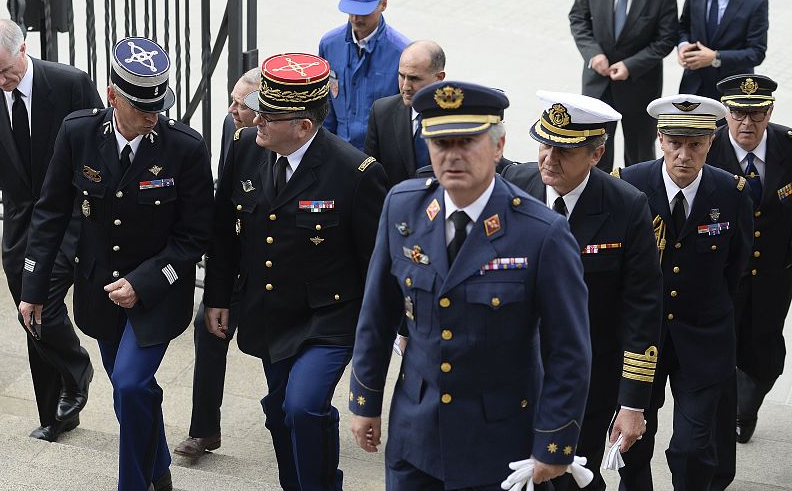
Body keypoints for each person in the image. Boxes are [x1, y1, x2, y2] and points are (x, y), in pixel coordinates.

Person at [349, 80, 592, 489]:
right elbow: (376, 313)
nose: (453, 155)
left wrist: (553, 444)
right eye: (441, 143)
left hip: (497, 444)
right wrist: (364, 401)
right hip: (416, 435)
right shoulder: (402, 207)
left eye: (467, 142)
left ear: (498, 147)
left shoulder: (541, 233)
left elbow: (569, 350)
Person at [19, 36, 214, 491]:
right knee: (135, 392)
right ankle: (159, 469)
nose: (153, 116)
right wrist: (33, 288)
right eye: (142, 107)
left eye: (158, 105)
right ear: (112, 96)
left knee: (128, 385)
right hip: (99, 293)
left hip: (158, 294)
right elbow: (49, 213)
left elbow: (195, 236)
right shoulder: (78, 132)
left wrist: (144, 283)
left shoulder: (184, 147)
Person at [203, 52, 387, 490]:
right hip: (270, 311)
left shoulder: (355, 173)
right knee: (280, 409)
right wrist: (217, 297)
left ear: (304, 126)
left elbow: (378, 262)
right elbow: (225, 232)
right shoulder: (245, 148)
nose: (257, 120)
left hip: (329, 317)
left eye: (268, 114)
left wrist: (377, 332)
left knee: (303, 407)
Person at [502, 91, 662, 491]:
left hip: (586, 379)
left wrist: (632, 402)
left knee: (568, 478)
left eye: (564, 151)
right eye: (545, 144)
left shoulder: (626, 206)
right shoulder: (515, 185)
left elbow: (641, 308)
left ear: (597, 154)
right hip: (514, 369)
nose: (548, 159)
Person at [614, 94, 752, 490]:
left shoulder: (731, 192)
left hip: (704, 335)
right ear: (660, 139)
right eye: (675, 142)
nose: (684, 155)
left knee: (693, 447)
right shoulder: (630, 184)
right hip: (643, 339)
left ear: (711, 142)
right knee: (633, 442)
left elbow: (736, 270)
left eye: (695, 144)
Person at [0, 18, 100, 442]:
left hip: (70, 212)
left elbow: (98, 145)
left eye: (5, 70)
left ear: (24, 50)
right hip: (21, 219)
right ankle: (55, 416)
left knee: (45, 303)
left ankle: (77, 369)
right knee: (28, 310)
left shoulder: (70, 83)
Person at [174, 67, 261, 460]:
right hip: (235, 259)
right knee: (208, 328)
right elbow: (225, 199)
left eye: (240, 105)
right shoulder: (233, 127)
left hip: (276, 267)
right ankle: (204, 430)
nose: (230, 110)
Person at [707, 74, 792, 454]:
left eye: (756, 114)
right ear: (726, 112)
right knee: (721, 346)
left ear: (770, 111)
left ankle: (748, 399)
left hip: (775, 275)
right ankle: (725, 412)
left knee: (766, 353)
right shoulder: (705, 148)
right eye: (738, 113)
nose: (747, 123)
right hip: (719, 274)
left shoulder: (788, 148)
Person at [568, 0, 678, 172]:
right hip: (598, 84)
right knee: (594, 150)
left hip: (639, 87)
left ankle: (637, 199)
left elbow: (666, 40)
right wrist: (593, 54)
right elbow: (578, 18)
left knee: (640, 154)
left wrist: (631, 66)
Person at [319, 0, 409, 150]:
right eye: (351, 10)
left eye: (364, 11)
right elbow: (323, 101)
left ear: (383, 5)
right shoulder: (329, 44)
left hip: (381, 156)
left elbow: (405, 112)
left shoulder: (402, 53)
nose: (356, 18)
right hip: (338, 152)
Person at [677, 0, 768, 101]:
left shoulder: (756, 1)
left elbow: (756, 53)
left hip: (730, 93)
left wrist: (716, 58)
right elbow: (683, 26)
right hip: (693, 87)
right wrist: (683, 46)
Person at [364, 40, 445, 186]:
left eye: (414, 78)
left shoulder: (457, 120)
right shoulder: (382, 113)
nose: (406, 86)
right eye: (402, 76)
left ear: (438, 78)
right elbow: (371, 176)